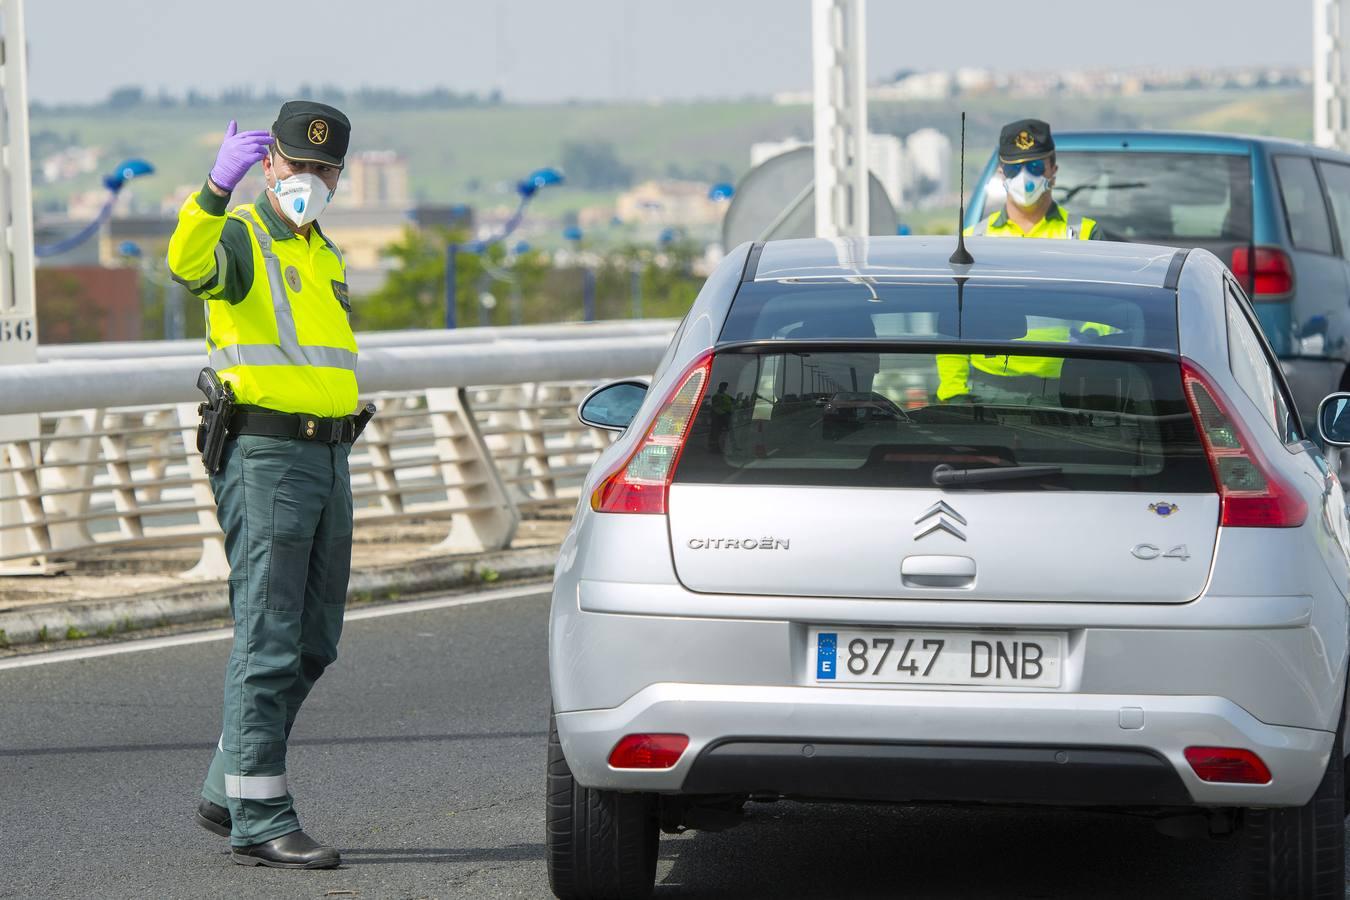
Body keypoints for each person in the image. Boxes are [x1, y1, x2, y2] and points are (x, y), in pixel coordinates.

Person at [167, 100, 359, 869]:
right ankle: (261, 815)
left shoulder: (325, 254)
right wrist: (214, 189)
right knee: (269, 637)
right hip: (266, 457)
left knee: (314, 641)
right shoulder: (243, 237)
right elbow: (186, 264)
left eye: (323, 168)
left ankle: (227, 784)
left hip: (329, 456)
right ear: (268, 162)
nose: (307, 178)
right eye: (294, 163)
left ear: (340, 174)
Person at [938, 118, 1110, 403]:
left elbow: (1110, 316)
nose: (1024, 177)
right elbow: (952, 324)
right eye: (1014, 168)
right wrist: (954, 391)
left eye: (1033, 167)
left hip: (1063, 391)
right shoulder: (972, 240)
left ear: (1053, 171)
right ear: (1002, 173)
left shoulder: (1084, 236)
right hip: (987, 391)